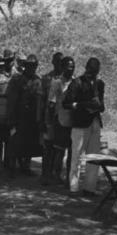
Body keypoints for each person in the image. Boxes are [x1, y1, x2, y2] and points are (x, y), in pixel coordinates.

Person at [62, 57, 104, 196]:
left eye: (96, 70)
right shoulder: (77, 82)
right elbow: (66, 103)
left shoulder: (99, 84)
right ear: (87, 68)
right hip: (80, 123)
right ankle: (74, 187)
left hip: (95, 122)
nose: (93, 72)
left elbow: (102, 105)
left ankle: (89, 188)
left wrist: (97, 106)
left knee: (94, 157)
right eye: (91, 69)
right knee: (76, 156)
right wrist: (83, 105)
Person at [6, 54, 43, 177]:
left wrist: (39, 118)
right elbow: (11, 99)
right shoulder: (17, 80)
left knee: (30, 143)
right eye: (29, 66)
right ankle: (11, 167)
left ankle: (25, 166)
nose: (32, 68)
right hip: (19, 116)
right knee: (15, 141)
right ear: (25, 66)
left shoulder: (38, 80)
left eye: (34, 66)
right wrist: (11, 117)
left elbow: (39, 99)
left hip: (32, 117)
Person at [48, 56, 75, 186]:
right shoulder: (57, 82)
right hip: (60, 119)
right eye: (69, 66)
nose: (71, 69)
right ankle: (56, 175)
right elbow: (51, 103)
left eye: (73, 66)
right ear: (63, 67)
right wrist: (48, 123)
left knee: (72, 150)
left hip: (73, 121)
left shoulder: (76, 82)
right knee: (59, 150)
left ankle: (69, 176)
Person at [0, 49, 16, 172]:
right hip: (0, 108)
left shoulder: (17, 76)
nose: (8, 63)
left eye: (10, 60)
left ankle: (9, 166)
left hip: (13, 110)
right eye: (6, 60)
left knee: (11, 140)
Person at [40, 52, 64, 185]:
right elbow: (41, 100)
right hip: (48, 117)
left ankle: (57, 173)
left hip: (61, 118)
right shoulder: (46, 78)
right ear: (53, 62)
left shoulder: (67, 79)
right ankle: (45, 174)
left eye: (61, 61)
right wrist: (41, 119)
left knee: (59, 147)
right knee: (47, 146)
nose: (58, 64)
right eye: (56, 61)